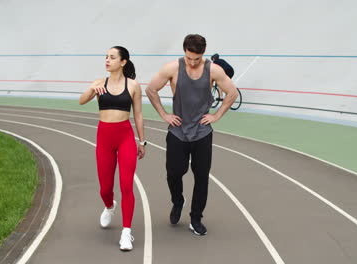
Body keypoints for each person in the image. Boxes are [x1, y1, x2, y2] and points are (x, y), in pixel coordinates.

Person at [145, 34, 238, 236]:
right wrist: (164, 114)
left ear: (203, 54)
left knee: (201, 177)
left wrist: (216, 115)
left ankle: (196, 218)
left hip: (202, 132)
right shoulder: (172, 68)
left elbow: (232, 92)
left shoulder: (213, 70)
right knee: (174, 173)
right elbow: (151, 90)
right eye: (189, 58)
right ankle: (178, 201)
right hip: (178, 131)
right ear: (184, 52)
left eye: (197, 59)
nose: (193, 63)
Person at [79, 46, 146, 251]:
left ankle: (126, 232)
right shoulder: (99, 83)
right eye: (106, 57)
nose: (107, 60)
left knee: (127, 185)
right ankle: (109, 206)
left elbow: (138, 114)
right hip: (105, 138)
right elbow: (81, 101)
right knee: (105, 189)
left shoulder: (133, 85)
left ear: (123, 62)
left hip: (125, 137)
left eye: (112, 57)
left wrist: (142, 142)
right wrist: (92, 89)